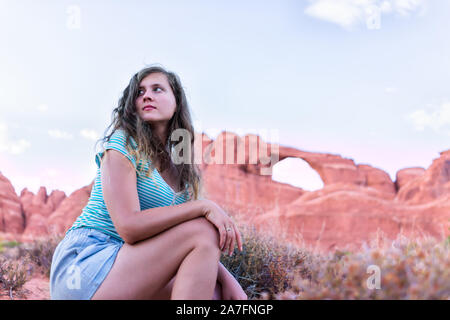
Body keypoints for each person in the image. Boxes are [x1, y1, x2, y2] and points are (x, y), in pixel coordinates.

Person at [49, 64, 247, 300]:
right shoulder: (123, 144)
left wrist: (230, 283)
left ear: (177, 103)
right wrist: (204, 206)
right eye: (140, 92)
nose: (147, 96)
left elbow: (193, 244)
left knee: (213, 292)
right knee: (202, 229)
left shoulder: (181, 174)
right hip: (86, 263)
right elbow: (129, 227)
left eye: (157, 89)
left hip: (126, 263)